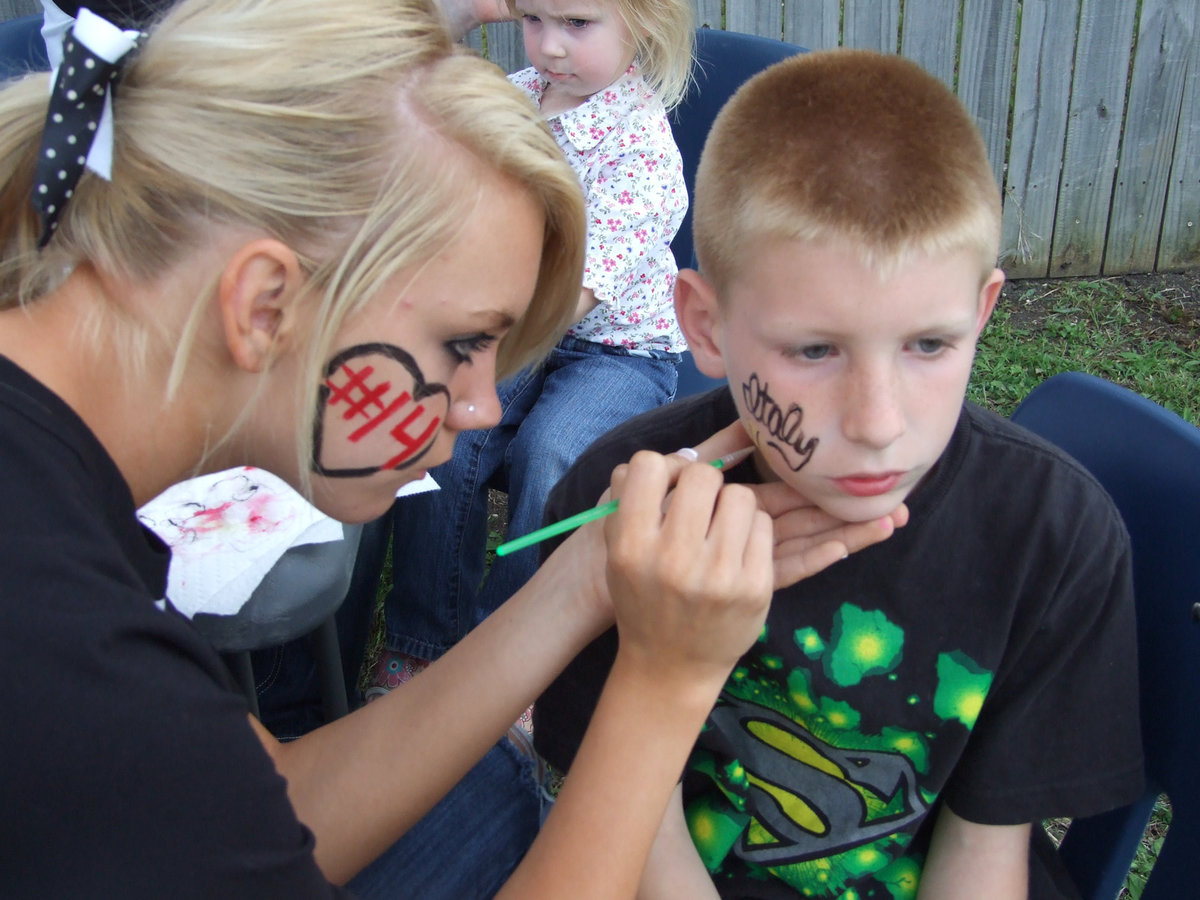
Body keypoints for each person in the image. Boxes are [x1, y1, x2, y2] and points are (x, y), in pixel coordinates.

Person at [0, 1, 904, 895]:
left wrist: (583, 579)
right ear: (265, 304)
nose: (480, 407)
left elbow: (256, 808)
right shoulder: (66, 643)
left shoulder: (58, 484)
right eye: (465, 345)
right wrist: (665, 681)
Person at [531, 49, 1145, 899]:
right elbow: (637, 830)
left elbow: (986, 849)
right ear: (705, 327)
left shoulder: (1051, 537)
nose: (879, 423)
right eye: (814, 350)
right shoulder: (622, 506)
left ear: (982, 312)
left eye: (929, 345)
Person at [368, 0, 696, 702]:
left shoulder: (641, 148)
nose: (550, 46)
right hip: (518, 323)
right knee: (445, 437)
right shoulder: (514, 102)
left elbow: (571, 297)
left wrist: (470, 346)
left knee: (555, 455)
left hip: (615, 349)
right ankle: (426, 642)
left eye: (577, 24)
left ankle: (518, 662)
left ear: (642, 25)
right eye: (536, 19)